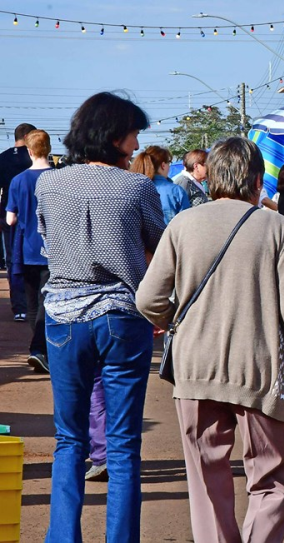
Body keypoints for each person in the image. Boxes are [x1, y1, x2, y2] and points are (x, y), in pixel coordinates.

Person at [136, 137, 284, 543]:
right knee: (272, 478)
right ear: (257, 180)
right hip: (261, 370)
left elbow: (147, 299)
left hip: (194, 370)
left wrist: (178, 324)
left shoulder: (183, 224)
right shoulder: (276, 226)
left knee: (206, 481)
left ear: (213, 178)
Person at [36, 91, 165, 542]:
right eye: (132, 133)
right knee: (124, 443)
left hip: (64, 314)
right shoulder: (136, 187)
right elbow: (159, 247)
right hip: (122, 316)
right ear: (114, 135)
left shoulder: (48, 184)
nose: (135, 143)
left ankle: (61, 537)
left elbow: (48, 243)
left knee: (69, 439)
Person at [5, 129, 52, 373]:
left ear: (30, 151)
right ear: (49, 149)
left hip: (27, 246)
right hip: (54, 247)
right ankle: (41, 349)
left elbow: (10, 219)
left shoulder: (19, 180)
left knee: (32, 302)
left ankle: (39, 349)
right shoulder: (58, 177)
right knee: (49, 300)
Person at [0, 122, 36, 321]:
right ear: (30, 136)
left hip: (8, 214)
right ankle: (35, 304)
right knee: (37, 259)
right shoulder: (34, 158)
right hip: (34, 215)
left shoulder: (3, 158)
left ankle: (20, 307)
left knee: (13, 260)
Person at [130, 146, 191, 224]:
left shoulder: (134, 188)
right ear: (163, 165)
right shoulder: (176, 191)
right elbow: (185, 223)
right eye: (169, 163)